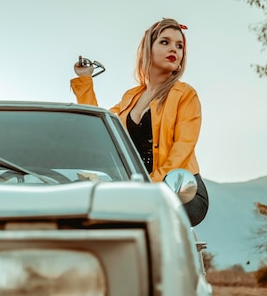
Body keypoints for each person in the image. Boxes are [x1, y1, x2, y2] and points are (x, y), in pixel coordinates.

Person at [70, 17, 208, 226]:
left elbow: (182, 149)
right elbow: (101, 127)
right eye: (165, 42)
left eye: (179, 46)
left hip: (181, 189)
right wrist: (85, 79)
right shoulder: (131, 97)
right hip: (138, 191)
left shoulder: (185, 94)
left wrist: (149, 187)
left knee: (129, 213)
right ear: (148, 49)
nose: (174, 49)